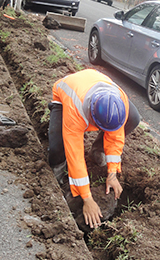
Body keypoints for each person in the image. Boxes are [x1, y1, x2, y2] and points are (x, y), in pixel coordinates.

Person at [48, 69, 140, 229]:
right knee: (58, 147)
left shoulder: (118, 105)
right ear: (92, 118)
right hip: (67, 95)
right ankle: (57, 173)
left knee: (134, 118)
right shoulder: (75, 110)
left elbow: (116, 138)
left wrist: (112, 174)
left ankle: (98, 150)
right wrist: (87, 199)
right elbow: (75, 154)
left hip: (95, 84)